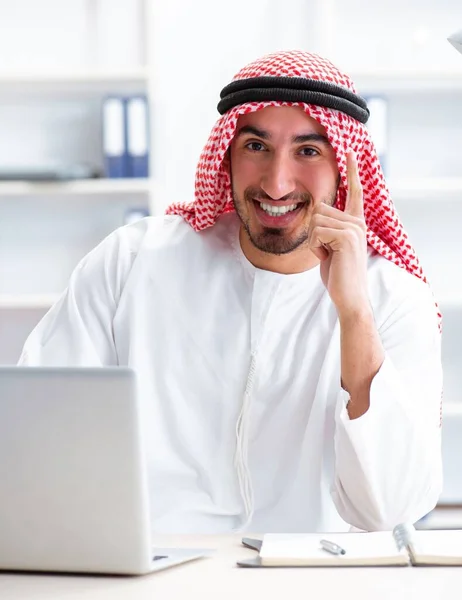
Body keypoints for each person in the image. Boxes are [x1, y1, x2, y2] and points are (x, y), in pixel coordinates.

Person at [18, 50, 443, 535]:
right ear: (227, 155)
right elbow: (35, 435)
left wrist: (354, 314)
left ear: (344, 169)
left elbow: (389, 510)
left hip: (310, 581)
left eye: (308, 151)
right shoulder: (133, 261)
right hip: (151, 573)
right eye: (256, 146)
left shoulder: (393, 299)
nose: (277, 183)